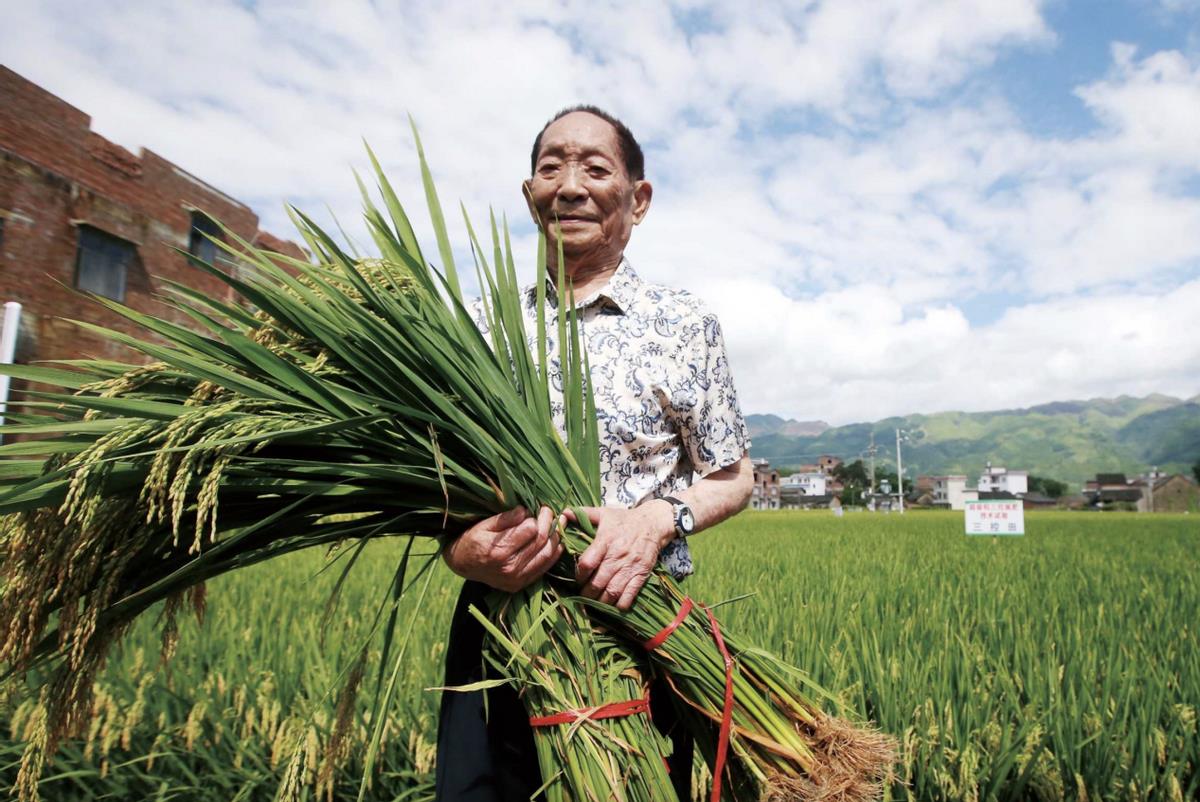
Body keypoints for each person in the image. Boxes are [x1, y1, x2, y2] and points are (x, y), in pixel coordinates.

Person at [435, 105, 753, 802]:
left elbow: (731, 476)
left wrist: (657, 520)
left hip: (635, 624)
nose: (570, 186)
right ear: (530, 195)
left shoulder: (683, 324)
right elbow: (437, 489)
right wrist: (461, 551)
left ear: (638, 200)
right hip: (500, 628)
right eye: (551, 167)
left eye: (595, 168)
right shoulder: (479, 329)